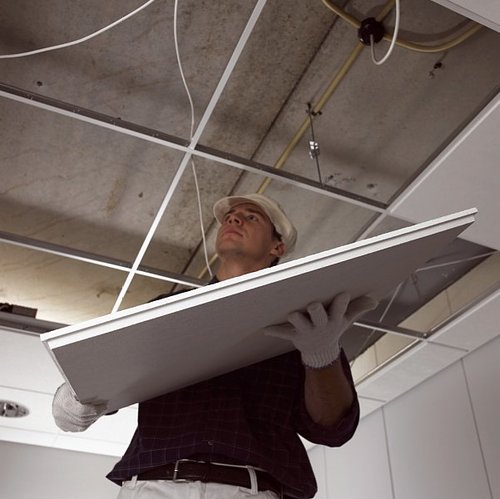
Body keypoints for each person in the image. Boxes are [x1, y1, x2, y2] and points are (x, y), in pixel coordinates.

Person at [52, 193, 377, 499]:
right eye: (230, 217)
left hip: (249, 490)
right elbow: (104, 378)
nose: (233, 221)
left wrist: (320, 354)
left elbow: (332, 430)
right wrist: (78, 398)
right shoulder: (167, 308)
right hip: (153, 488)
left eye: (250, 217)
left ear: (277, 247)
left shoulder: (305, 320)